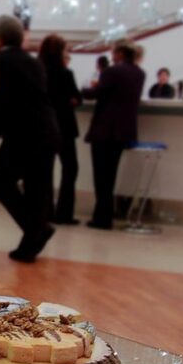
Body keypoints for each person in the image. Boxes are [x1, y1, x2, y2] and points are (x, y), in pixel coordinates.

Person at [0, 16, 61, 262]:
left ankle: (37, 230)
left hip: (21, 134)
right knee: (37, 189)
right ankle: (30, 244)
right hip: (48, 130)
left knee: (1, 182)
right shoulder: (35, 63)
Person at [82, 41, 146, 230]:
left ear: (118, 53)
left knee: (101, 176)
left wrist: (82, 91)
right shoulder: (140, 73)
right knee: (111, 173)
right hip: (124, 130)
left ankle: (102, 216)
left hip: (104, 129)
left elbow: (97, 93)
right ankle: (105, 215)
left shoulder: (111, 72)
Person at [39, 34, 83, 226]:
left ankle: (45, 210)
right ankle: (64, 212)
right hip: (65, 125)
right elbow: (76, 98)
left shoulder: (38, 71)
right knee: (70, 168)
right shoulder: (66, 73)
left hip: (44, 125)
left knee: (45, 170)